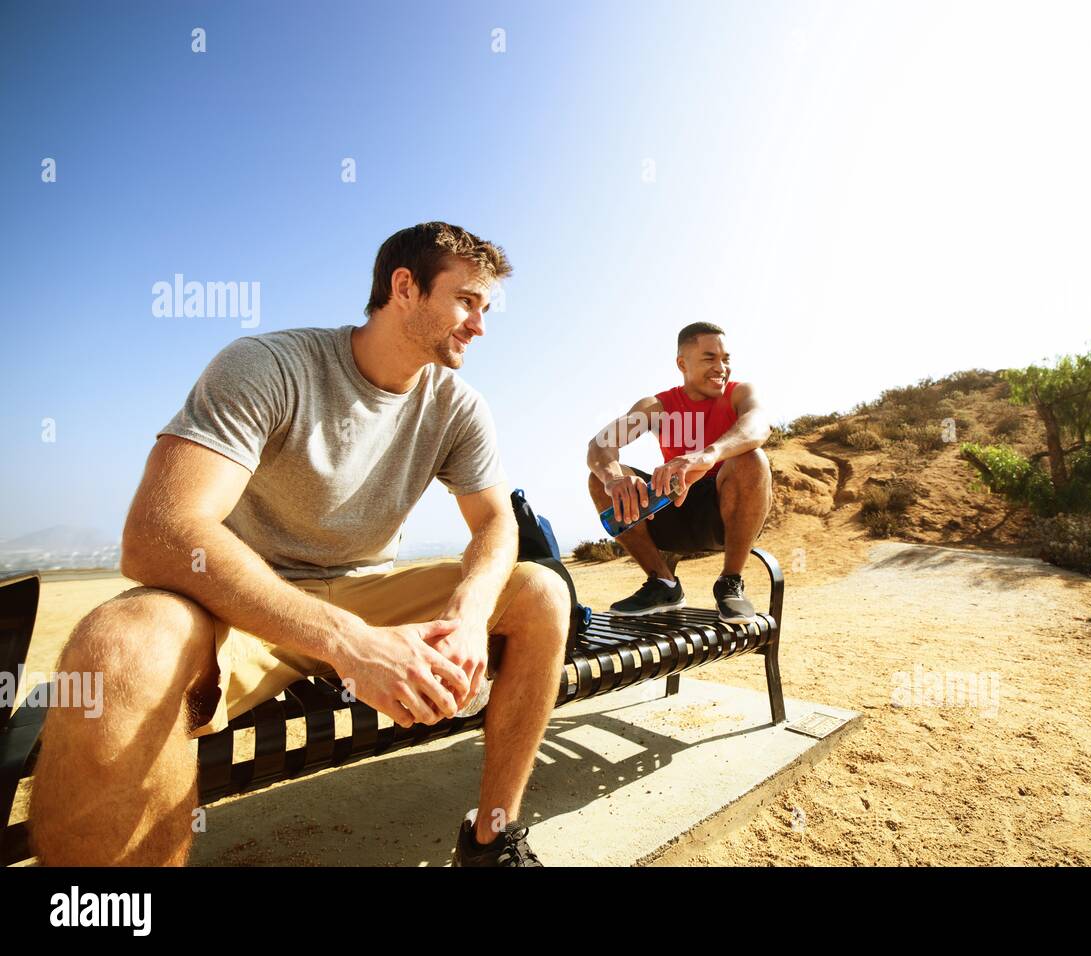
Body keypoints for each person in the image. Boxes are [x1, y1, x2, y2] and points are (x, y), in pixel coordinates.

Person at [29, 222, 565, 867]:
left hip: (365, 594)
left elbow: (496, 524)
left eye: (487, 308)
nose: (480, 325)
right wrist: (350, 643)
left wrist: (472, 615)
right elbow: (158, 535)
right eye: (467, 301)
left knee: (540, 589)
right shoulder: (270, 366)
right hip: (241, 608)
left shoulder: (457, 406)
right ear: (404, 287)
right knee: (119, 645)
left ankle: (490, 838)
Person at [586, 322, 773, 623]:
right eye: (709, 358)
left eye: (726, 359)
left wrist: (706, 455)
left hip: (727, 515)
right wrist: (614, 478)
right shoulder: (657, 406)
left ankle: (730, 582)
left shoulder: (740, 393)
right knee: (600, 477)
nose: (721, 367)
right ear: (682, 364)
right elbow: (599, 445)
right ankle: (663, 583)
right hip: (673, 506)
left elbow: (758, 425)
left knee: (753, 459)